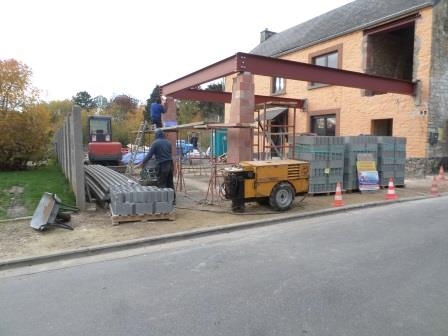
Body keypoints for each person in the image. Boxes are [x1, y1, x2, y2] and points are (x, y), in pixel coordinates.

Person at [137, 128, 175, 202]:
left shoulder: (155, 143)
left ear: (156, 135)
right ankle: (173, 200)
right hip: (170, 164)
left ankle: (164, 202)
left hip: (163, 165)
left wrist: (142, 163)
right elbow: (168, 153)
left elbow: (149, 155)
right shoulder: (168, 142)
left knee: (162, 183)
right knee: (170, 183)